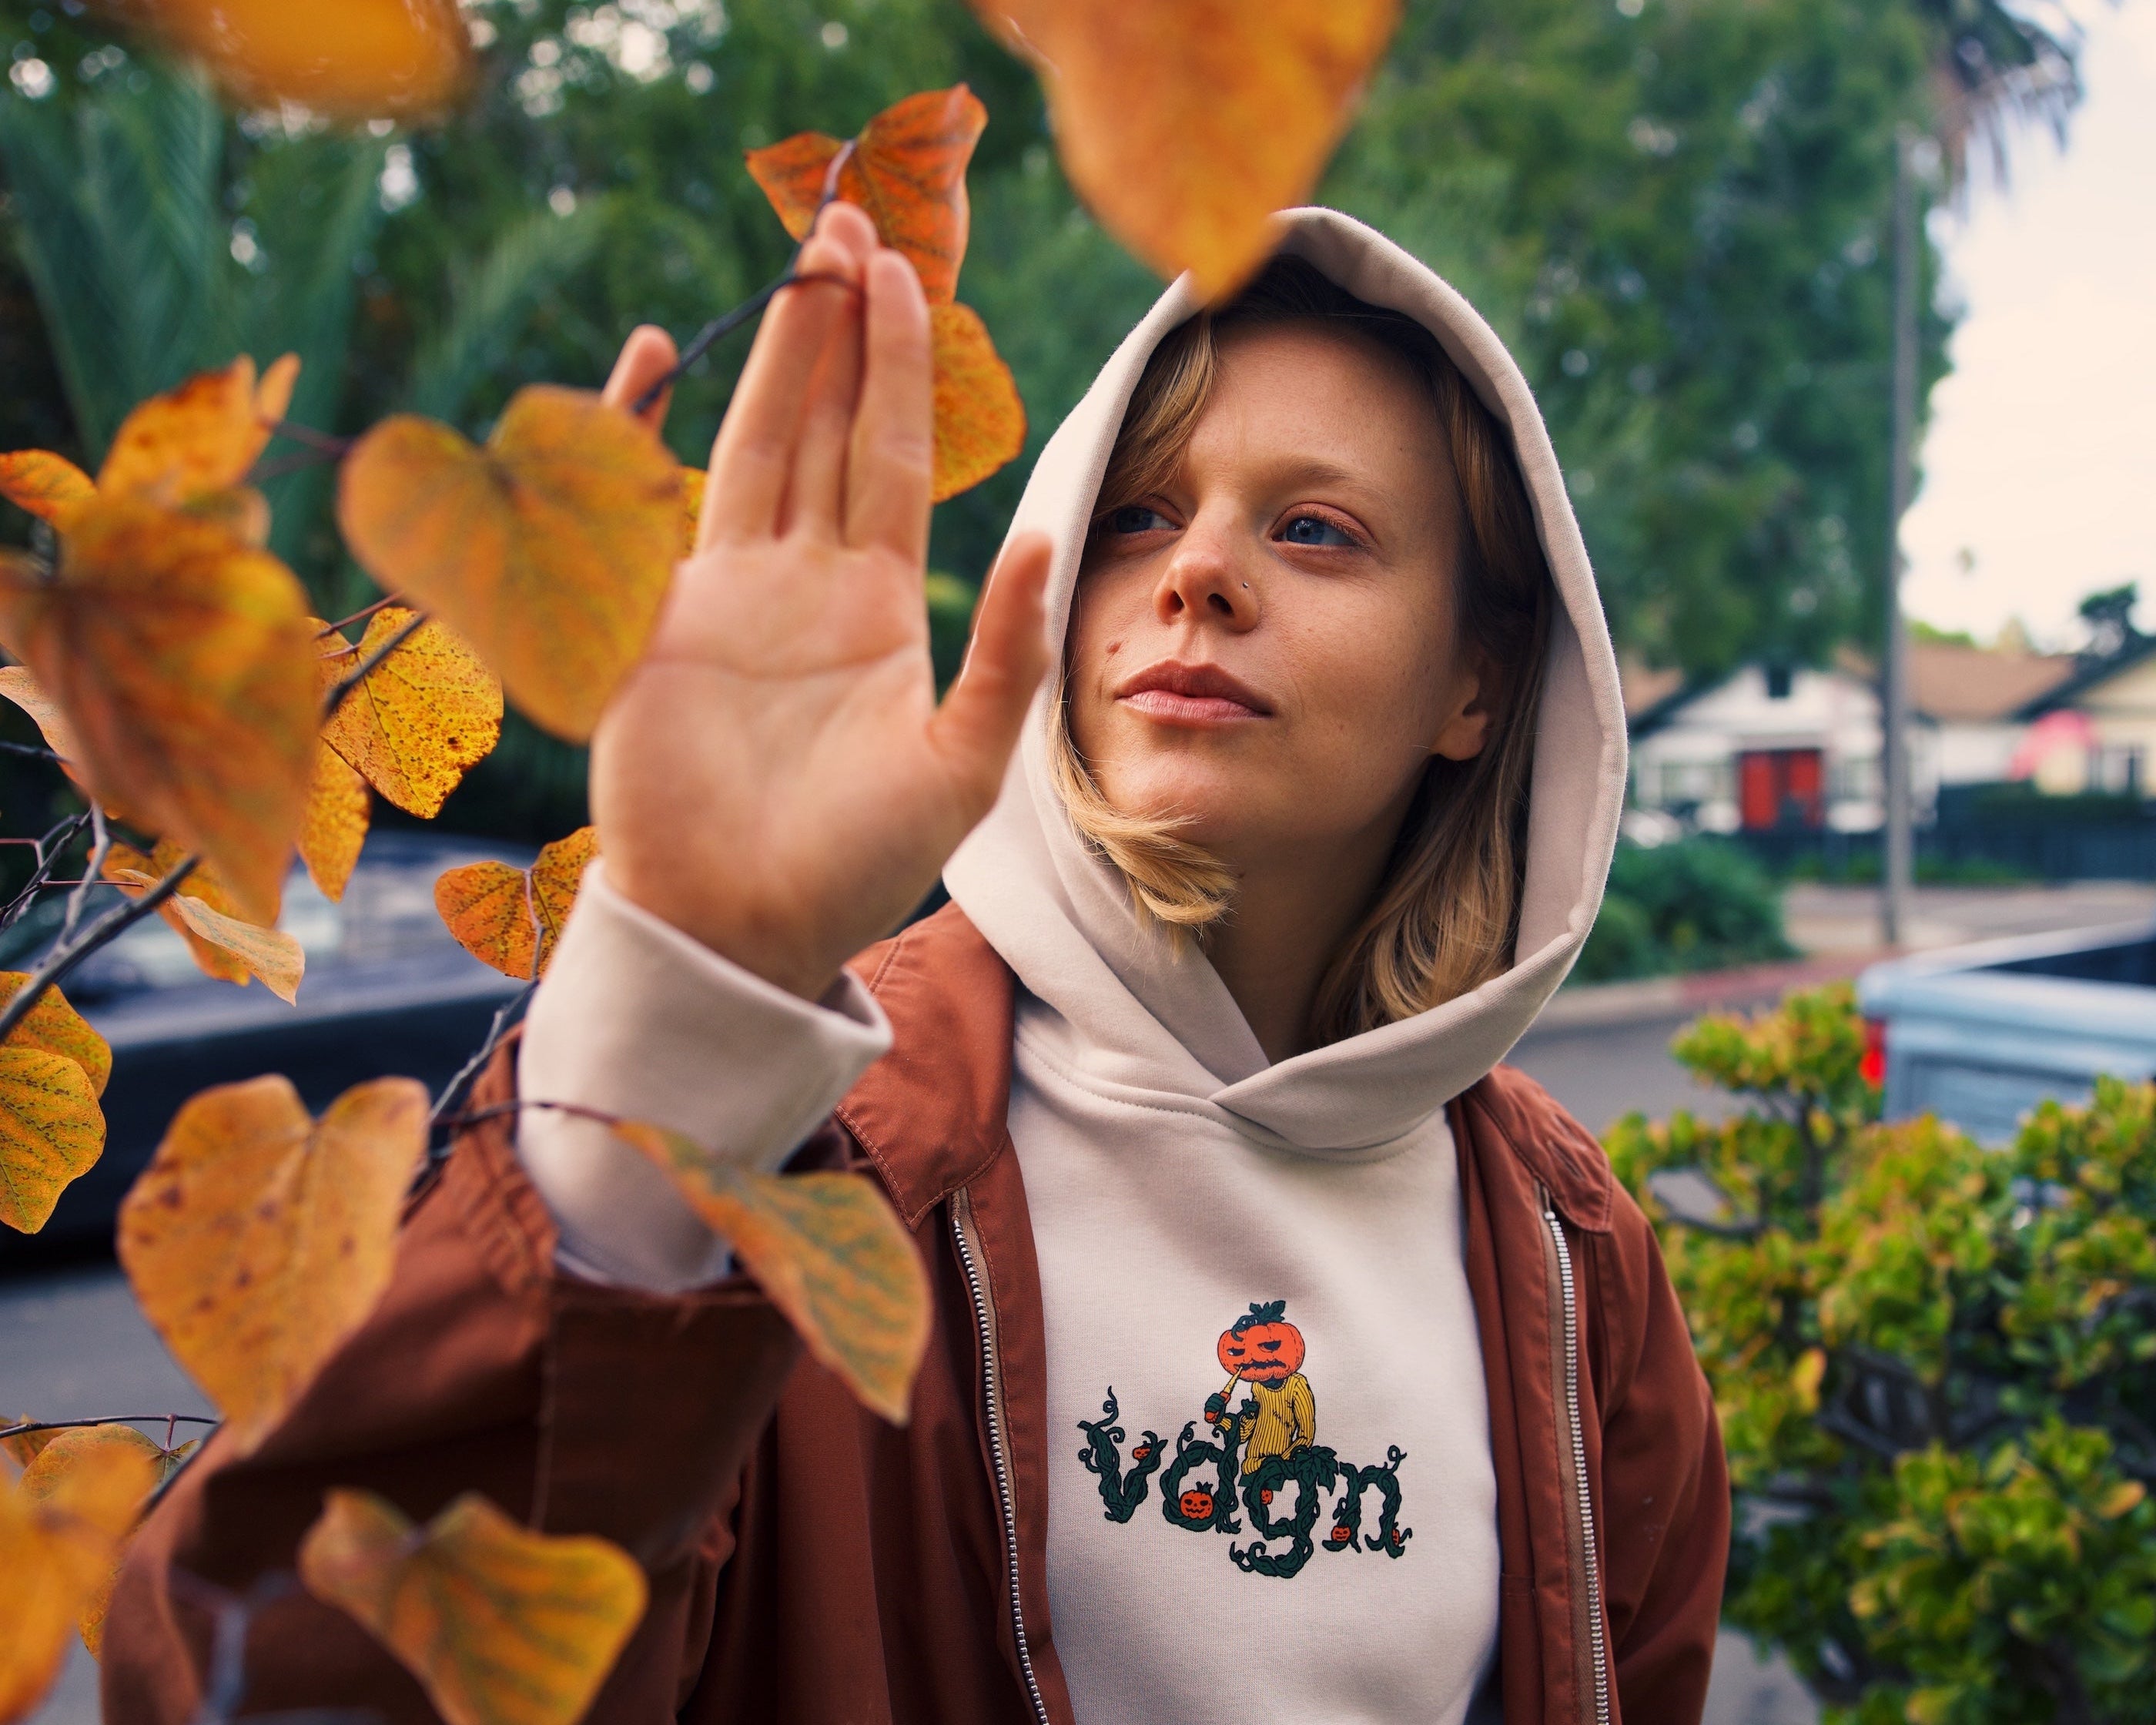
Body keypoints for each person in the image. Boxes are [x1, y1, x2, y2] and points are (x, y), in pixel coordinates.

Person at [107, 201, 1728, 1724]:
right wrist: (670, 1018)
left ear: (1477, 681)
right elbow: (260, 1676)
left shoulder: (1573, 1267)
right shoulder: (799, 1171)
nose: (1194, 572)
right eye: (1137, 513)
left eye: (1313, 530)